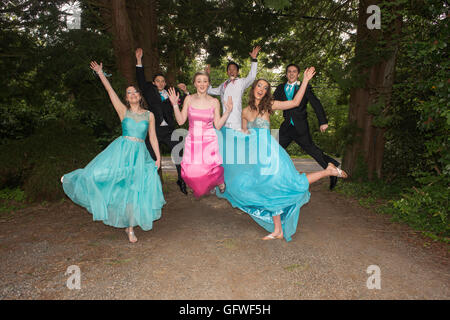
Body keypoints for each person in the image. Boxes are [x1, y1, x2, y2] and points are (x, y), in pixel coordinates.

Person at [216, 68, 348, 242]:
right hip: (257, 157)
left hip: (270, 153)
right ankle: (278, 230)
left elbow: (294, 102)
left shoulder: (269, 105)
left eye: (265, 87)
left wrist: (306, 80)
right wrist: (226, 133)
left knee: (290, 183)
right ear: (254, 87)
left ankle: (328, 171)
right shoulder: (246, 111)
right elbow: (244, 135)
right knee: (269, 189)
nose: (262, 89)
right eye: (259, 85)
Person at [61, 61, 165, 243]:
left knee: (134, 189)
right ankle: (76, 178)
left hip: (140, 154)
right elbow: (110, 92)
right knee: (100, 174)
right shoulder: (123, 111)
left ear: (140, 96)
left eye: (135, 92)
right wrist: (101, 73)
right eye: (129, 93)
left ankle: (130, 228)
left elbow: (153, 138)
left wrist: (158, 158)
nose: (132, 94)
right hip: (122, 151)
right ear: (126, 98)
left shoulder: (149, 115)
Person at [273, 63, 341, 190]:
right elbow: (270, 102)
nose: (291, 73)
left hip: (300, 127)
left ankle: (332, 169)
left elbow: (316, 103)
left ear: (298, 74)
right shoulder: (280, 88)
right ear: (286, 74)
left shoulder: (304, 87)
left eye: (294, 71)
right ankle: (271, 180)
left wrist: (323, 121)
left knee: (312, 151)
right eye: (289, 71)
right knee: (274, 149)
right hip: (286, 127)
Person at [167, 71, 233, 197]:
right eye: (199, 81)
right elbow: (181, 121)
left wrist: (228, 111)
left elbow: (218, 125)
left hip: (209, 140)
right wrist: (175, 105)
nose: (202, 84)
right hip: (192, 140)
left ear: (208, 84)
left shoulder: (214, 101)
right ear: (194, 84)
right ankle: (199, 184)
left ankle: (219, 180)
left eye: (205, 81)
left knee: (211, 167)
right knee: (188, 171)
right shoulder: (189, 99)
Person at [135, 48, 188, 195]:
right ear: (153, 82)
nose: (160, 83)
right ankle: (150, 186)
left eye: (163, 81)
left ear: (165, 83)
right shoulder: (149, 91)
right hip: (154, 130)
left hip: (170, 130)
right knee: (151, 157)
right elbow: (140, 79)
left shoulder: (171, 93)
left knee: (179, 153)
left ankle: (181, 180)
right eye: (157, 81)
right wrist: (139, 60)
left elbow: (184, 101)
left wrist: (185, 92)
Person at [204, 46, 261, 131]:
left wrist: (254, 59)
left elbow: (252, 76)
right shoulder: (223, 85)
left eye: (234, 69)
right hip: (224, 122)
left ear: (237, 72)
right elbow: (209, 90)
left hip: (236, 123)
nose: (231, 71)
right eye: (229, 70)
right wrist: (207, 76)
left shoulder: (241, 82)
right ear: (227, 72)